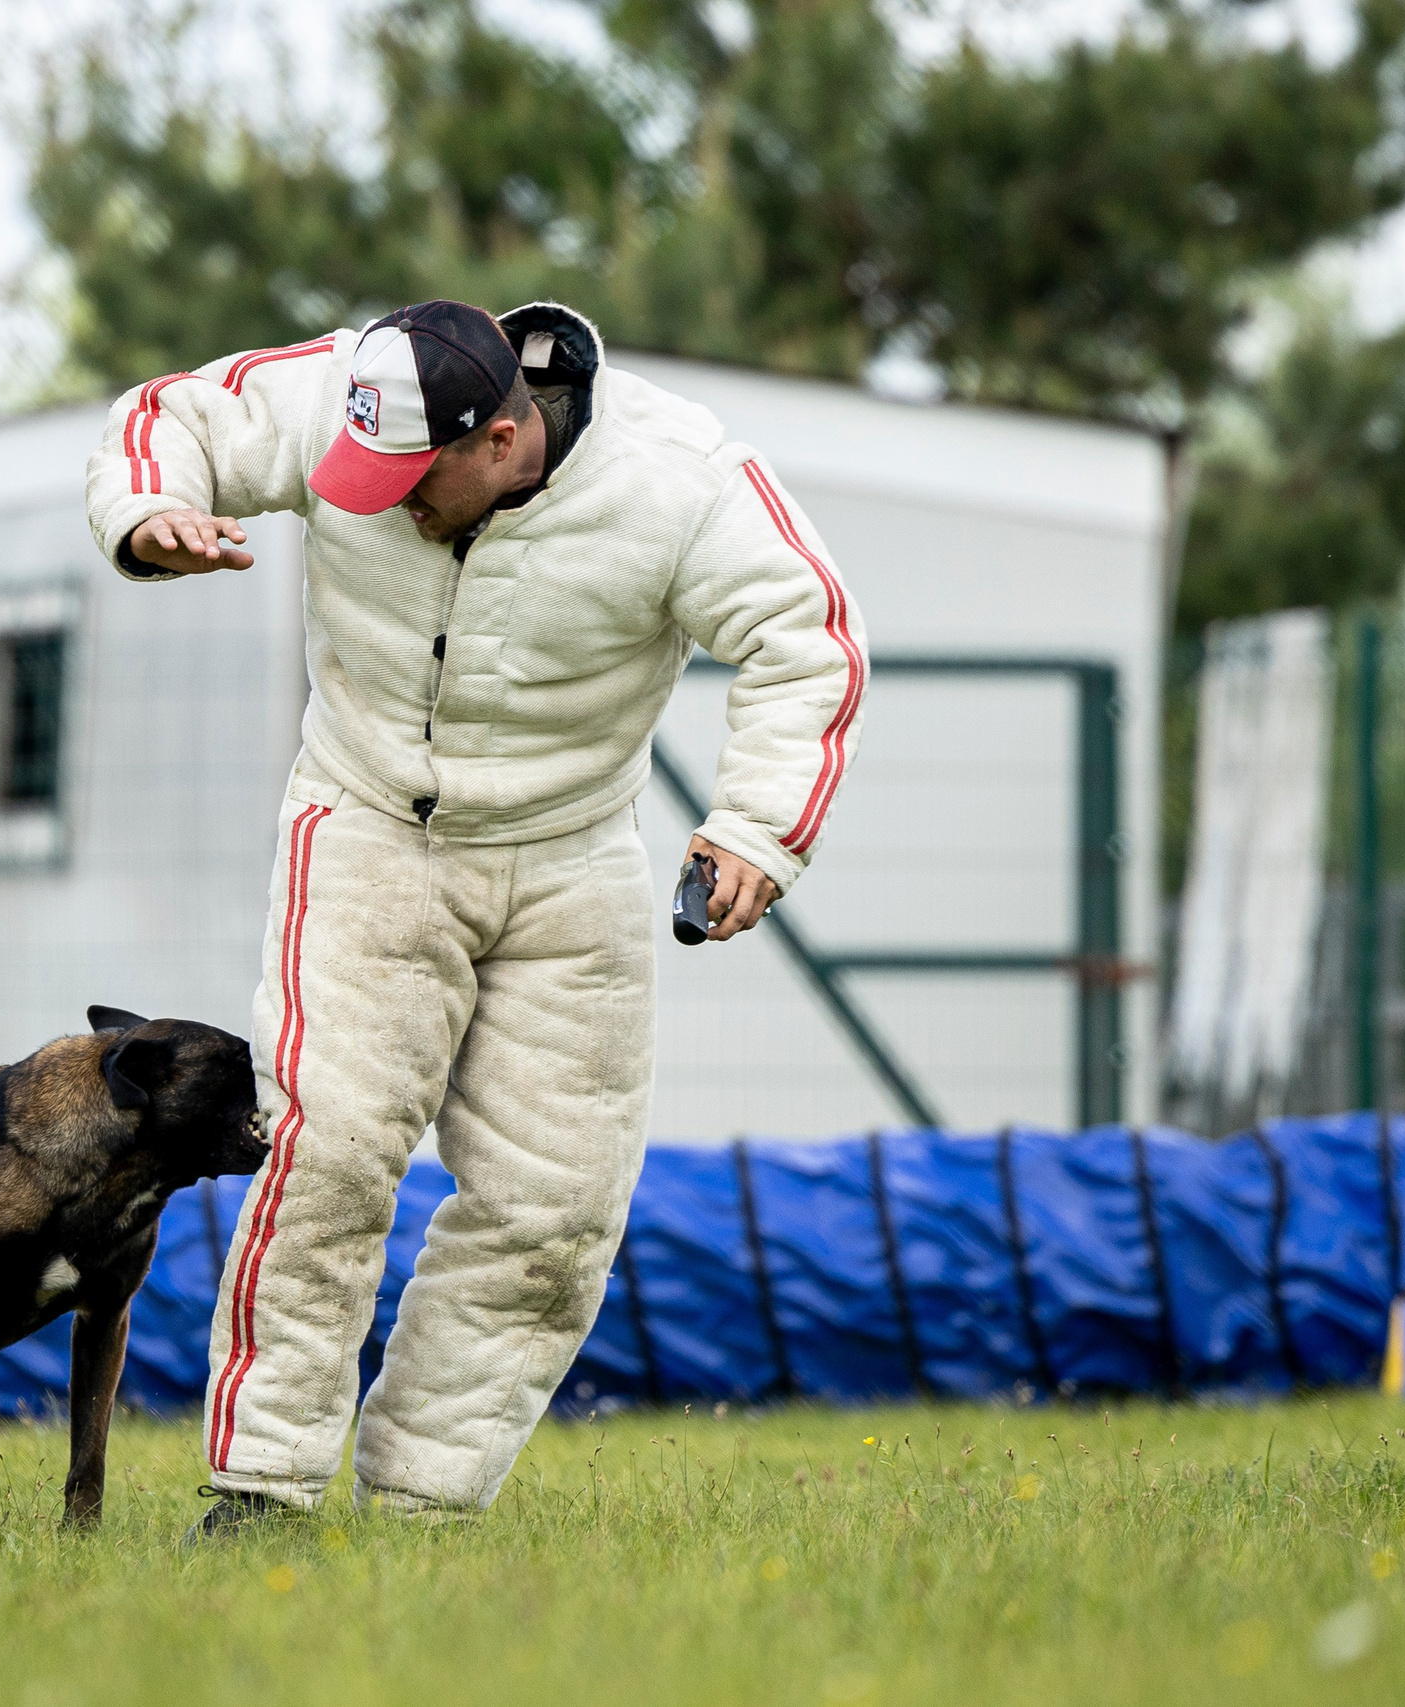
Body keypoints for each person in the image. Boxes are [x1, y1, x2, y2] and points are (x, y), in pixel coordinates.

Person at [82, 300, 866, 1529]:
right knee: (327, 1155)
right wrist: (148, 511)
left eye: (410, 478)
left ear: (502, 440)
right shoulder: (345, 389)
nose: (381, 499)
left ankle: (422, 1513)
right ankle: (262, 1491)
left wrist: (756, 827)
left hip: (572, 859)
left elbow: (807, 636)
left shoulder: (683, 480)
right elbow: (168, 415)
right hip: (366, 827)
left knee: (554, 1211)